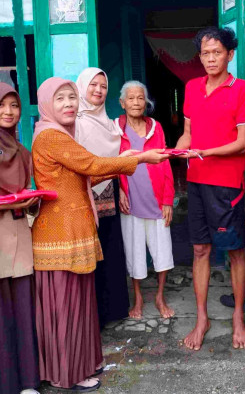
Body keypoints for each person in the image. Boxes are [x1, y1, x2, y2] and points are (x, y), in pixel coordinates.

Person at [31, 77, 169, 392]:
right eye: (61, 99)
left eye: (71, 98)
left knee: (76, 305)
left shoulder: (56, 134)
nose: (68, 104)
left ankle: (74, 366)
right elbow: (91, 164)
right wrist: (140, 158)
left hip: (69, 232)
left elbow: (83, 177)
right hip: (61, 235)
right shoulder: (52, 136)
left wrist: (125, 164)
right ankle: (68, 374)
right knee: (68, 308)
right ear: (47, 105)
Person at [176, 26, 245, 350]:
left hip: (226, 185)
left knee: (235, 251)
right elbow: (188, 133)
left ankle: (238, 315)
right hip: (195, 182)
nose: (210, 58)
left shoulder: (242, 89)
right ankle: (202, 317)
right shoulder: (192, 87)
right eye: (205, 53)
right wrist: (179, 150)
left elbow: (243, 143)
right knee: (200, 250)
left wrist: (205, 152)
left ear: (229, 54)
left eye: (216, 52)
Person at [75, 67, 130, 329]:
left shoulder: (109, 123)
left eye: (103, 86)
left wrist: (119, 189)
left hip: (109, 190)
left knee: (110, 249)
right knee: (91, 254)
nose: (98, 90)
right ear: (82, 87)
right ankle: (93, 316)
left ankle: (114, 309)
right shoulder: (74, 121)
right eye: (93, 85)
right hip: (85, 194)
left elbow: (116, 163)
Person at [118, 80, 175, 319]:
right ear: (122, 103)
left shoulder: (156, 127)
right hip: (130, 200)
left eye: (140, 98)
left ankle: (160, 297)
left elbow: (165, 161)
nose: (135, 102)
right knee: (134, 252)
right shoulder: (115, 128)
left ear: (146, 102)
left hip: (156, 198)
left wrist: (168, 199)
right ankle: (138, 298)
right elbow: (111, 162)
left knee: (162, 251)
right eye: (130, 98)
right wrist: (119, 189)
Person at [0, 83, 40, 394]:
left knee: (24, 307)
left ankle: (28, 381)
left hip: (20, 233)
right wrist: (13, 202)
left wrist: (32, 199)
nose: (9, 112)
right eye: (2, 105)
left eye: (14, 106)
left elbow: (28, 188)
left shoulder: (22, 150)